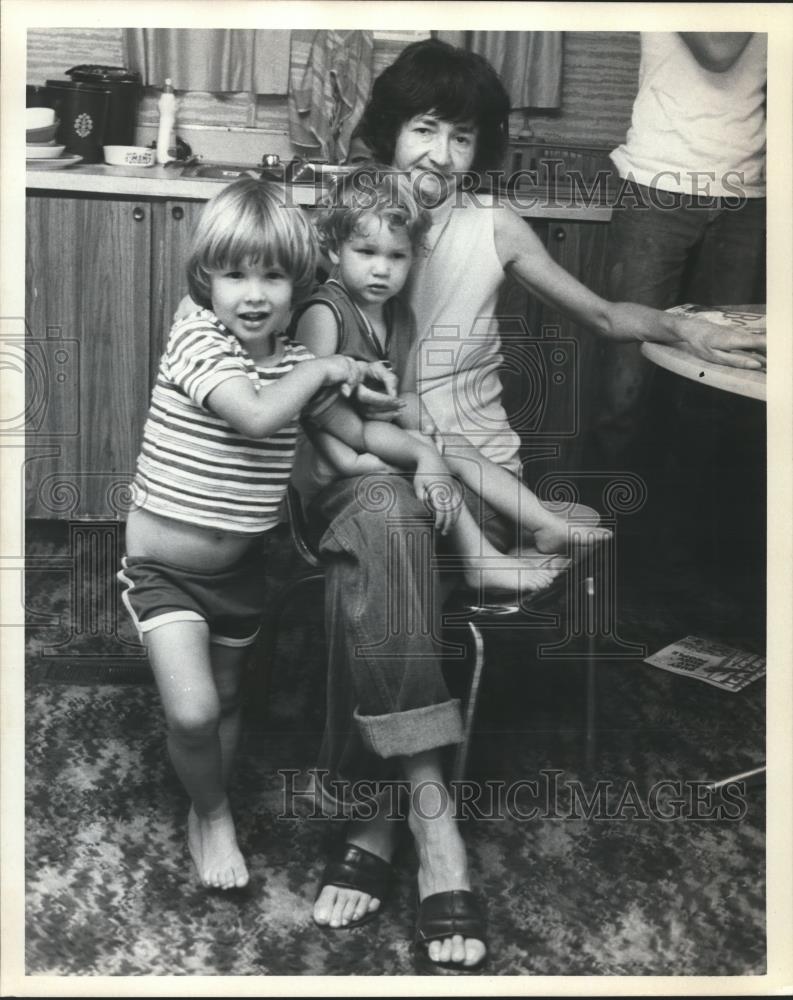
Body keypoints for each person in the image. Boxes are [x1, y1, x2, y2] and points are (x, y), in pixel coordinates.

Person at [294, 38, 767, 972]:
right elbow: (299, 370)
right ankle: (432, 834)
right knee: (394, 529)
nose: (437, 154)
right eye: (421, 129)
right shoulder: (352, 222)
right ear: (388, 135)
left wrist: (682, 321)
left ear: (482, 150)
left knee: (409, 564)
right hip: (370, 471)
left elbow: (600, 314)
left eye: (460, 137)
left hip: (480, 471)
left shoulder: (495, 226)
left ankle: (385, 823)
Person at [117, 179, 388, 892]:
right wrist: (331, 365)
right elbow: (258, 416)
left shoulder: (296, 366)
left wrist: (415, 445)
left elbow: (347, 432)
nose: (253, 293)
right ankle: (210, 811)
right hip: (161, 570)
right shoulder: (195, 333)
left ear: (300, 283)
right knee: (195, 708)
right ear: (205, 278)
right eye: (234, 272)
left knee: (229, 702)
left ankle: (213, 800)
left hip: (239, 575)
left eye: (271, 273)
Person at [292, 164, 611, 595]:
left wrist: (426, 429)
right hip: (339, 455)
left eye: (396, 256)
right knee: (433, 455)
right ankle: (482, 560)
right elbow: (309, 406)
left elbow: (402, 394)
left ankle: (544, 523)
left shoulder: (398, 316)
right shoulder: (324, 311)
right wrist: (359, 460)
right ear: (333, 250)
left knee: (451, 447)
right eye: (366, 253)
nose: (382, 270)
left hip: (377, 435)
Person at [594, 31, 766, 468]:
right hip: (656, 187)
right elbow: (718, 50)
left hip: (746, 196)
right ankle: (602, 530)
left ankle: (680, 532)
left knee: (718, 387)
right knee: (624, 388)